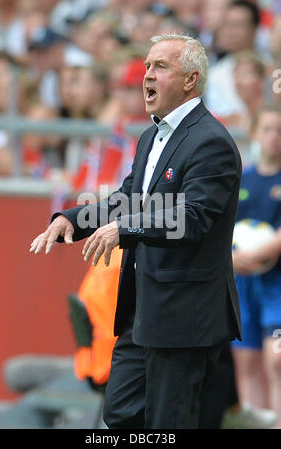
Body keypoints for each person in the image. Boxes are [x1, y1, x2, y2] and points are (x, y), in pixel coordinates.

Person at [30, 33, 242, 429]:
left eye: (160, 67)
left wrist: (124, 230)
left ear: (190, 79)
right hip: (142, 309)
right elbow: (128, 198)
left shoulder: (211, 141)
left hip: (184, 315)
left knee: (168, 423)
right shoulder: (150, 137)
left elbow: (192, 215)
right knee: (120, 414)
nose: (147, 75)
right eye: (146, 66)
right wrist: (72, 220)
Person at [232, 104, 281, 427]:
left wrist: (269, 248)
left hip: (277, 284)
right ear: (254, 134)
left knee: (276, 359)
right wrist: (232, 257)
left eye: (280, 131)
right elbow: (218, 228)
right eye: (267, 129)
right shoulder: (241, 179)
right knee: (247, 360)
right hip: (241, 282)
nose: (274, 137)